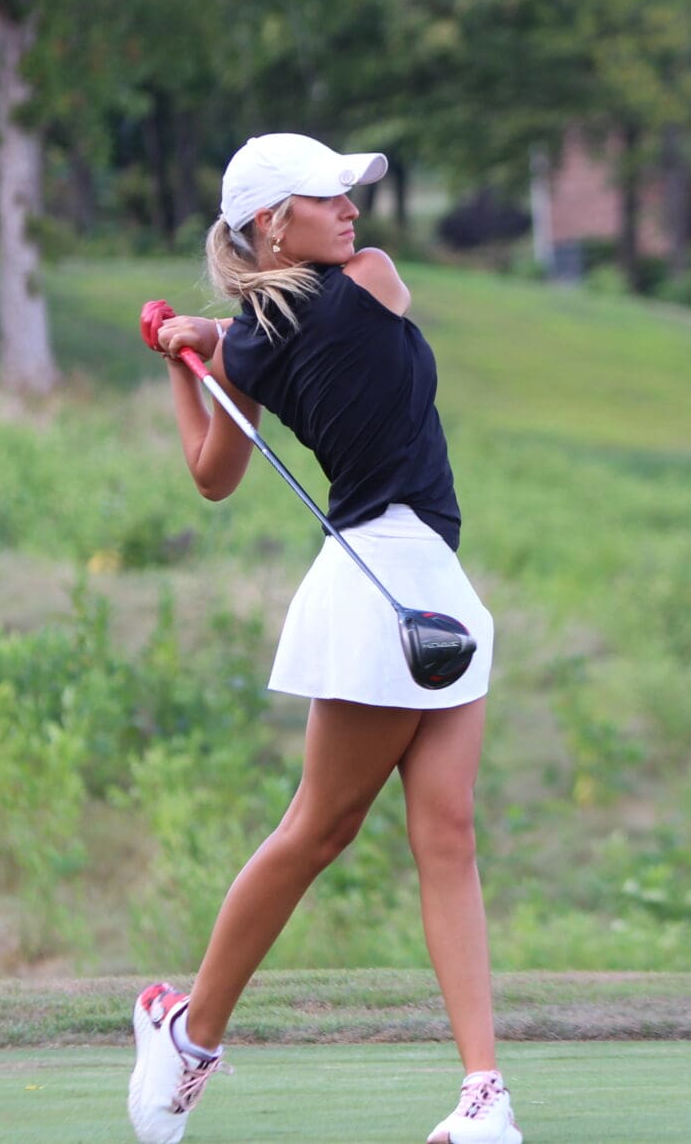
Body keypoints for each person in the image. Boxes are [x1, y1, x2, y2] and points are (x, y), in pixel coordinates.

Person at [130, 134, 521, 1144]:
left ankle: (484, 1095)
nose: (351, 208)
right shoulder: (319, 308)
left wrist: (194, 347)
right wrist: (196, 351)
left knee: (446, 832)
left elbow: (216, 457)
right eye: (327, 195)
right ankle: (189, 1034)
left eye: (350, 193)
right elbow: (216, 475)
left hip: (425, 578)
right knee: (317, 829)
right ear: (269, 221)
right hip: (382, 574)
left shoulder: (282, 325)